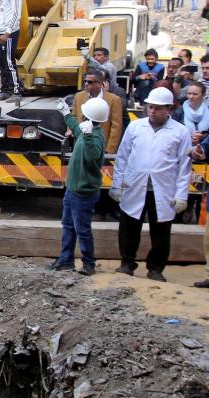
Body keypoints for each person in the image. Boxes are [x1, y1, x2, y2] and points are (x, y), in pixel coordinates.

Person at [111, 87, 192, 282]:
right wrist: (117, 184)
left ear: (168, 109)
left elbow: (184, 166)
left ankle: (156, 268)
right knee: (129, 226)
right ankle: (127, 263)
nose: (152, 111)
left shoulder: (180, 132)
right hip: (135, 186)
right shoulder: (135, 127)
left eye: (157, 108)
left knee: (161, 231)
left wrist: (182, 195)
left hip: (163, 190)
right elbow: (122, 157)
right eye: (150, 107)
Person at [49, 99, 107, 275]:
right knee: (68, 225)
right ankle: (66, 260)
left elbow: (92, 158)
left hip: (84, 193)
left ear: (87, 116)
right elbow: (75, 127)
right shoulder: (85, 131)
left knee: (82, 230)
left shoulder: (95, 137)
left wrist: (88, 137)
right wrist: (66, 114)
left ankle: (89, 264)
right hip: (73, 190)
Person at [72, 69, 123, 153]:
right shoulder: (78, 96)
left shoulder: (114, 99)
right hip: (81, 145)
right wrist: (70, 130)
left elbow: (116, 127)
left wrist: (110, 149)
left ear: (99, 84)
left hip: (101, 147)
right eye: (85, 81)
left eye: (90, 82)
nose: (86, 84)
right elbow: (73, 116)